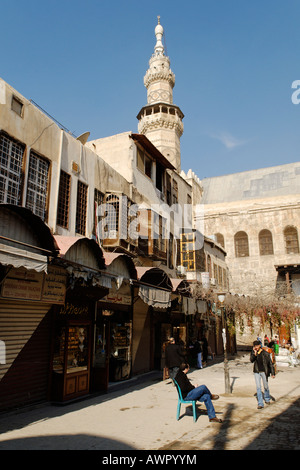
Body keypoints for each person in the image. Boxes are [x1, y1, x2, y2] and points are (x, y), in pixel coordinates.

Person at [250, 340, 275, 409]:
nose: (256, 347)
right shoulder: (253, 352)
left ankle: (267, 398)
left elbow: (270, 363)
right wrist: (254, 354)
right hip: (257, 371)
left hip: (264, 371)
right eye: (254, 346)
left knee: (266, 386)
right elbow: (251, 360)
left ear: (259, 346)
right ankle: (260, 403)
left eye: (257, 346)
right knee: (258, 387)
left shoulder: (265, 353)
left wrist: (273, 373)